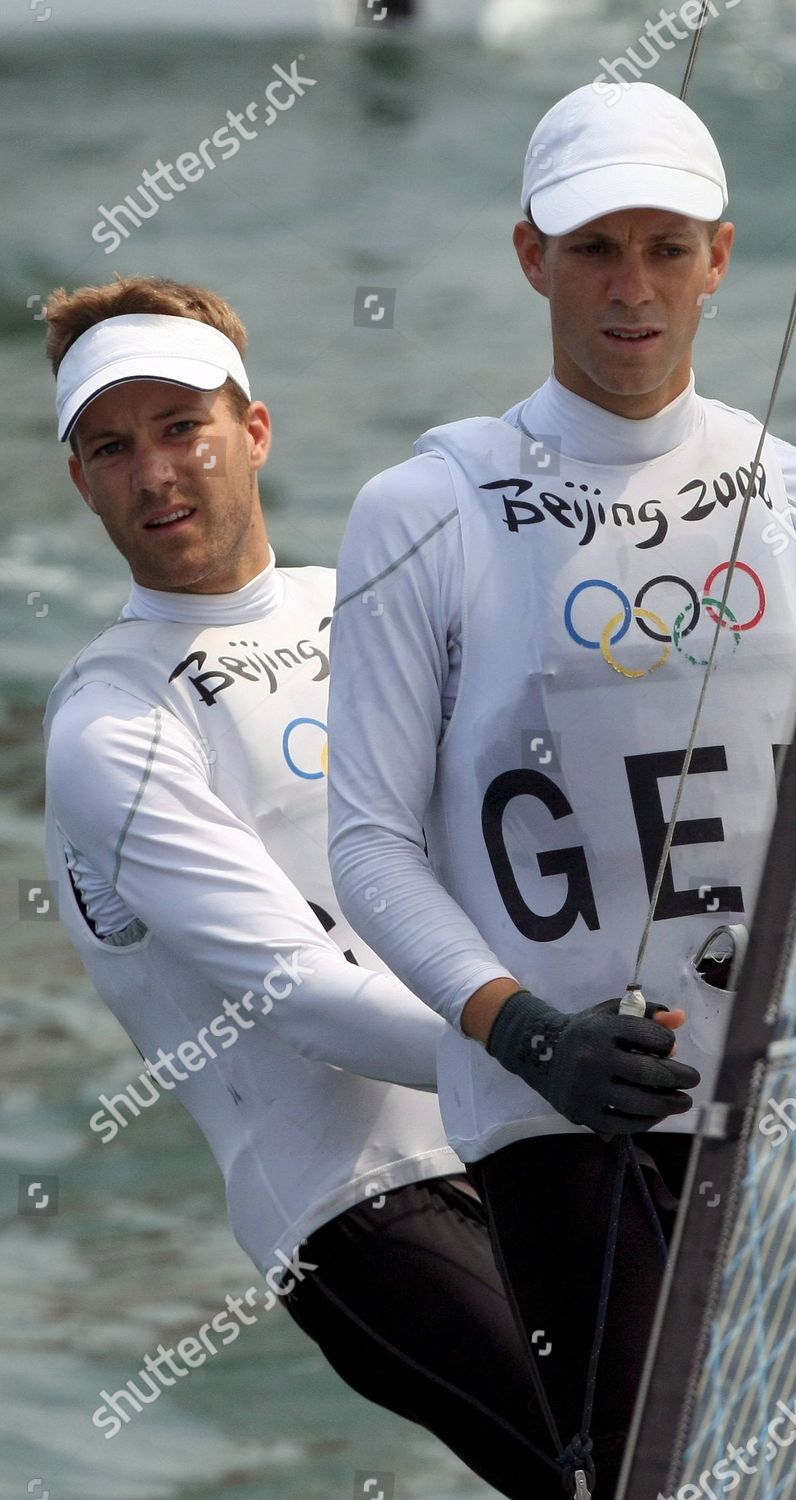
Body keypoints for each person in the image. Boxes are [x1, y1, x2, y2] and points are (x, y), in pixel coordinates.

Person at [327, 84, 796, 1499]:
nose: (632, 289)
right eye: (595, 249)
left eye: (667, 250)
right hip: (560, 1116)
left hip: (782, 1097)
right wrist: (525, 1032)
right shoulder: (426, 510)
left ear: (719, 259)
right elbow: (368, 843)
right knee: (656, 1478)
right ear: (530, 256)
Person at [41, 276, 559, 1499]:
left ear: (255, 430)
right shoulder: (110, 725)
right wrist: (542, 1047)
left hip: (537, 1128)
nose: (155, 473)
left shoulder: (373, 607)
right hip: (366, 1210)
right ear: (82, 482)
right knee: (642, 1464)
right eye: (112, 448)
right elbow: (302, 998)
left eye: (183, 428)